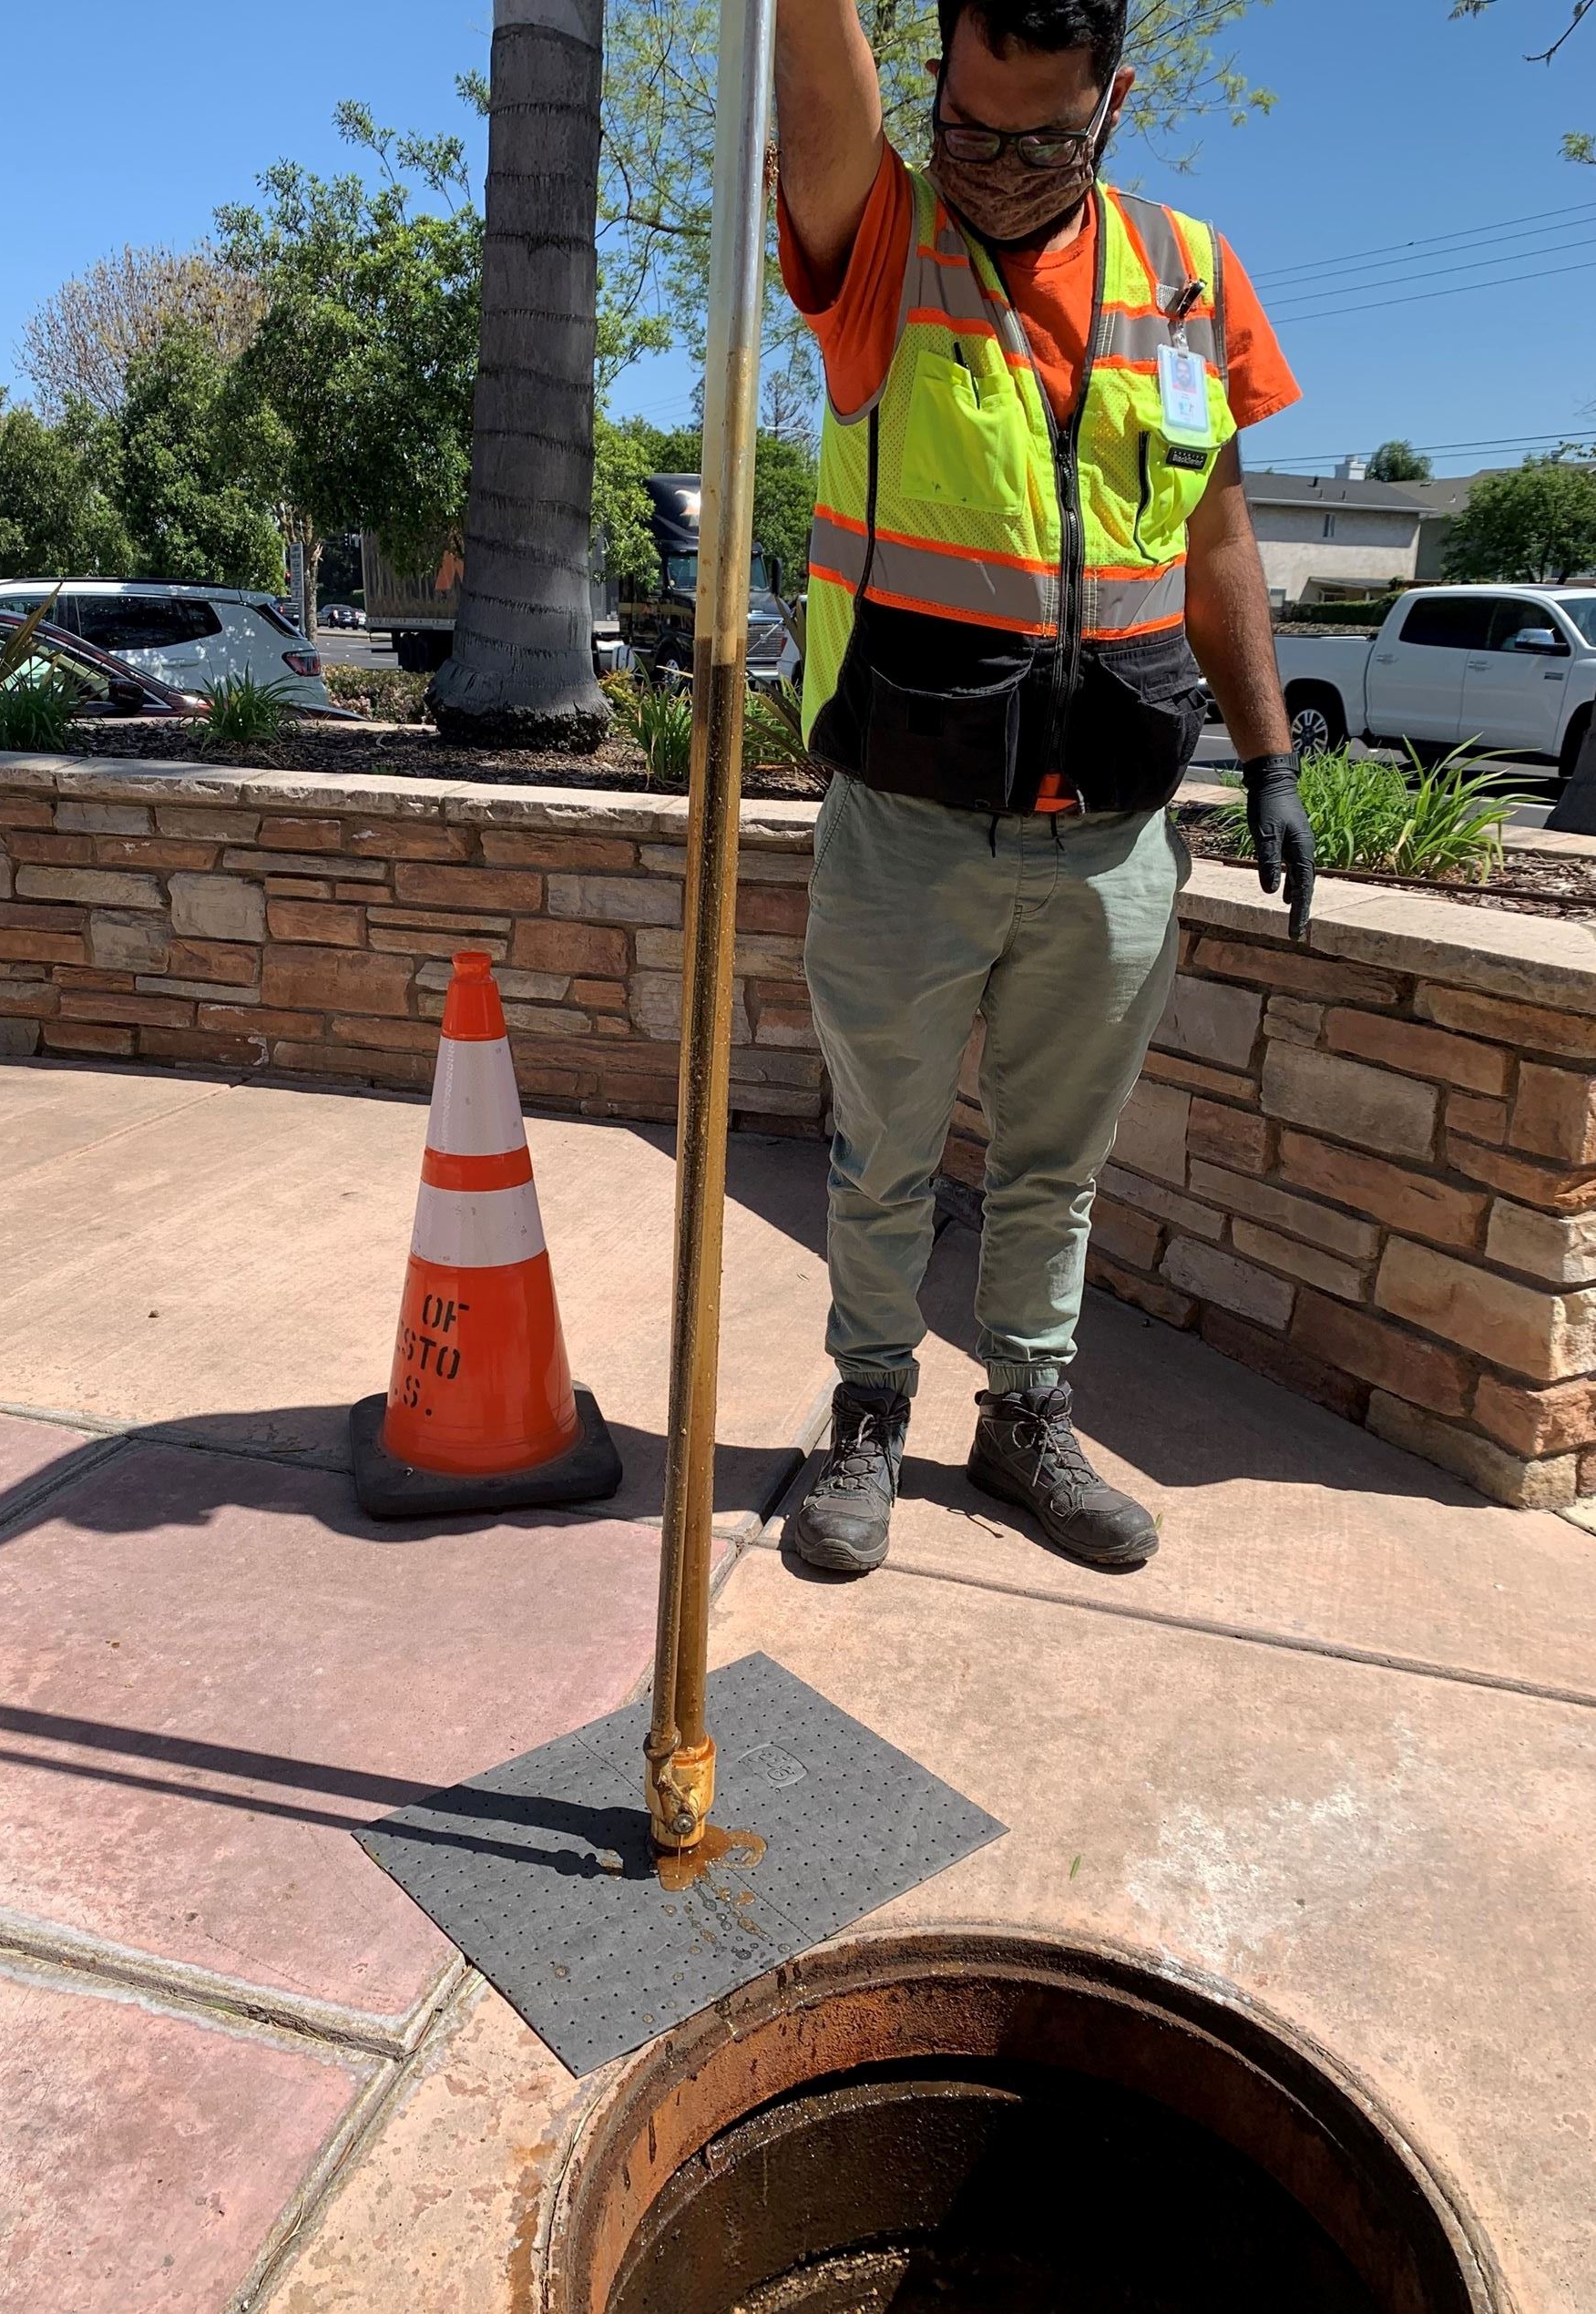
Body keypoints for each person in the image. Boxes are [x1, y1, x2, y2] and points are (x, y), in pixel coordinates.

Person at [776, 0, 1315, 1577]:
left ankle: (1023, 1418)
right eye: (966, 124)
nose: (997, 168)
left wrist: (1270, 757)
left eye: (1042, 137)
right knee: (882, 1150)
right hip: (909, 815)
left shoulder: (1190, 275)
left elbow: (1215, 542)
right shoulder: (882, 236)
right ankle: (868, 1411)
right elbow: (819, 91)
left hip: (1116, 830)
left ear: (1115, 103)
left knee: (1054, 1162)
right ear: (931, 84)